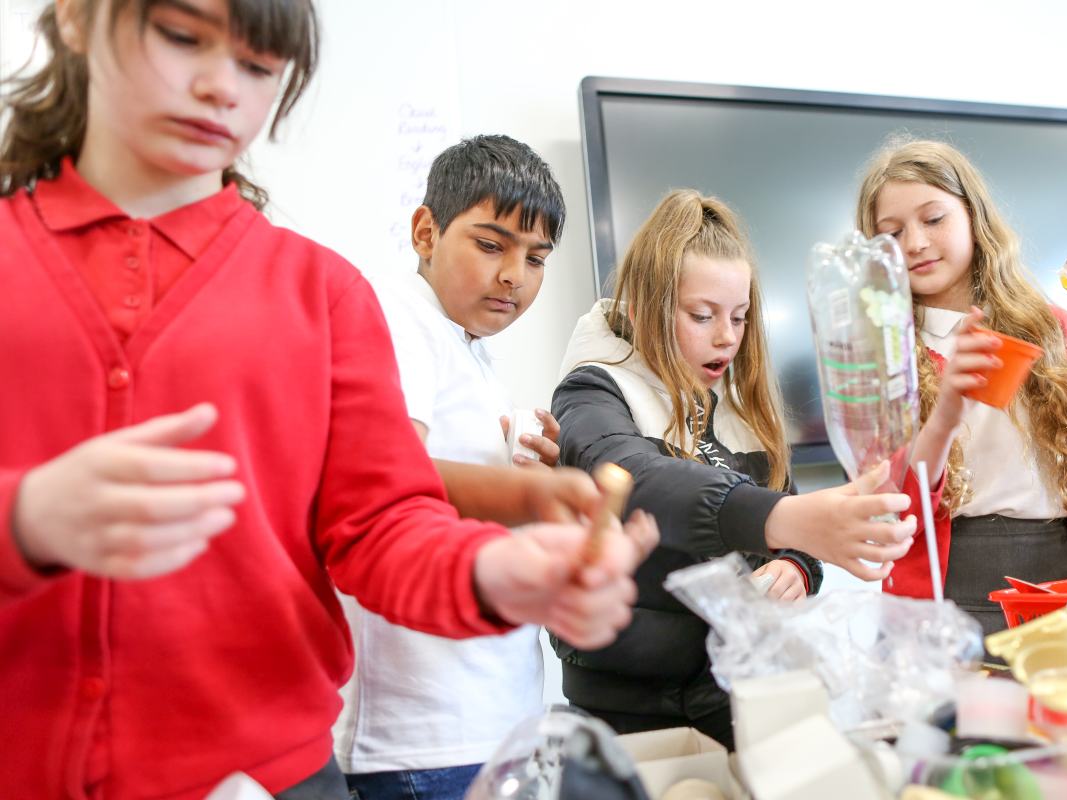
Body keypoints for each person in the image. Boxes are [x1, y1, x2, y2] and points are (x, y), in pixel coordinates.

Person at [0, 2, 649, 797]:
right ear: (74, 19)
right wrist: (23, 520)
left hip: (278, 775)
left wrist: (489, 572)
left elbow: (380, 522)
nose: (218, 87)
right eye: (179, 37)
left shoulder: (322, 294)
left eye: (258, 66)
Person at [551, 188, 919, 748]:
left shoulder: (738, 409)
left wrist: (796, 566)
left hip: (739, 696)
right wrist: (784, 519)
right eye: (702, 316)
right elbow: (635, 480)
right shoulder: (594, 390)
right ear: (644, 307)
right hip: (630, 712)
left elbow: (794, 538)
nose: (726, 336)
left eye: (740, 317)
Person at [335, 135, 635, 800]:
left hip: (483, 719)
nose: (514, 276)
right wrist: (523, 494)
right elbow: (380, 481)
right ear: (425, 231)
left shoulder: (467, 350)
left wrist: (523, 470)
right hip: (425, 732)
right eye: (491, 244)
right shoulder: (400, 320)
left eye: (536, 258)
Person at [855, 138, 1067, 634]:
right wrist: (947, 407)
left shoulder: (1056, 329)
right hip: (950, 586)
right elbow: (889, 498)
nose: (915, 243)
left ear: (973, 216)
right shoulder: (882, 357)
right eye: (892, 232)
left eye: (933, 219)